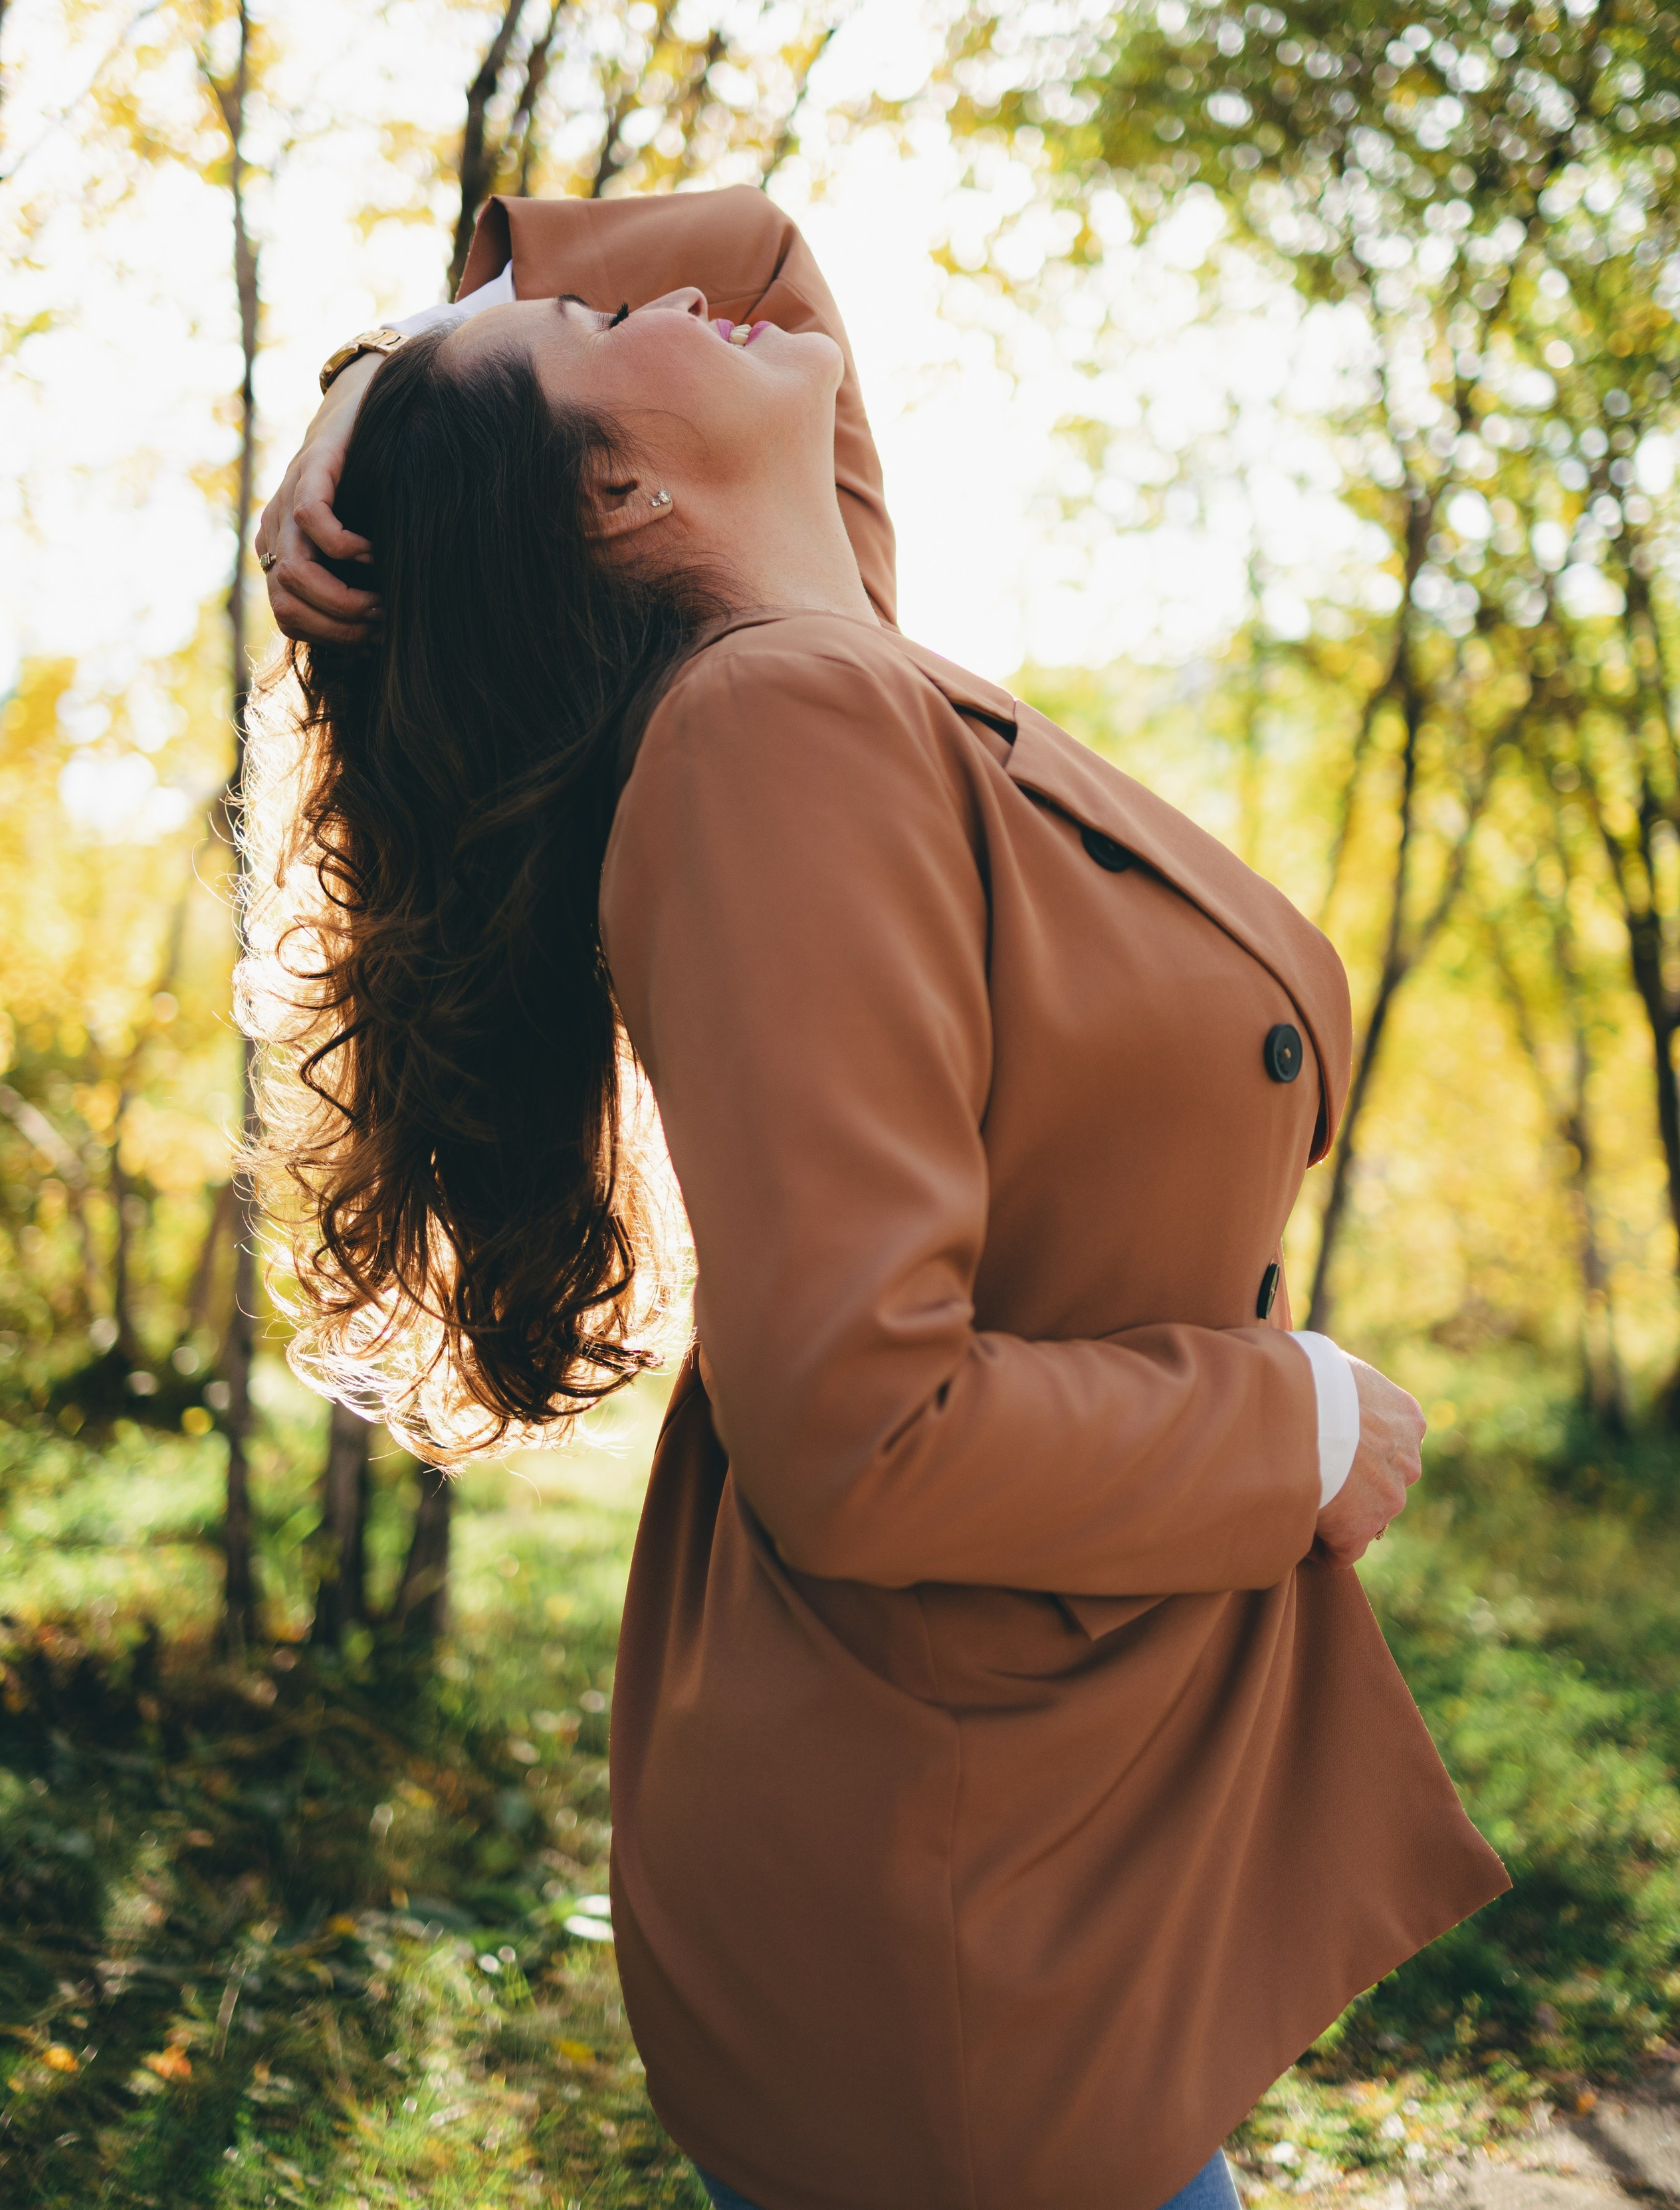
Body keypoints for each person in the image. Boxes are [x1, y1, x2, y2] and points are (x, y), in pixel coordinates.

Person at [249, 185, 1508, 2210]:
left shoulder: (830, 652)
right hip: (952, 1887)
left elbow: (746, 250)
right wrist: (1295, 1425)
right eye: (589, 329)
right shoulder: (777, 725)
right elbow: (866, 1425)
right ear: (620, 494)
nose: (656, 291)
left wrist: (387, 367)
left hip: (1020, 1816)